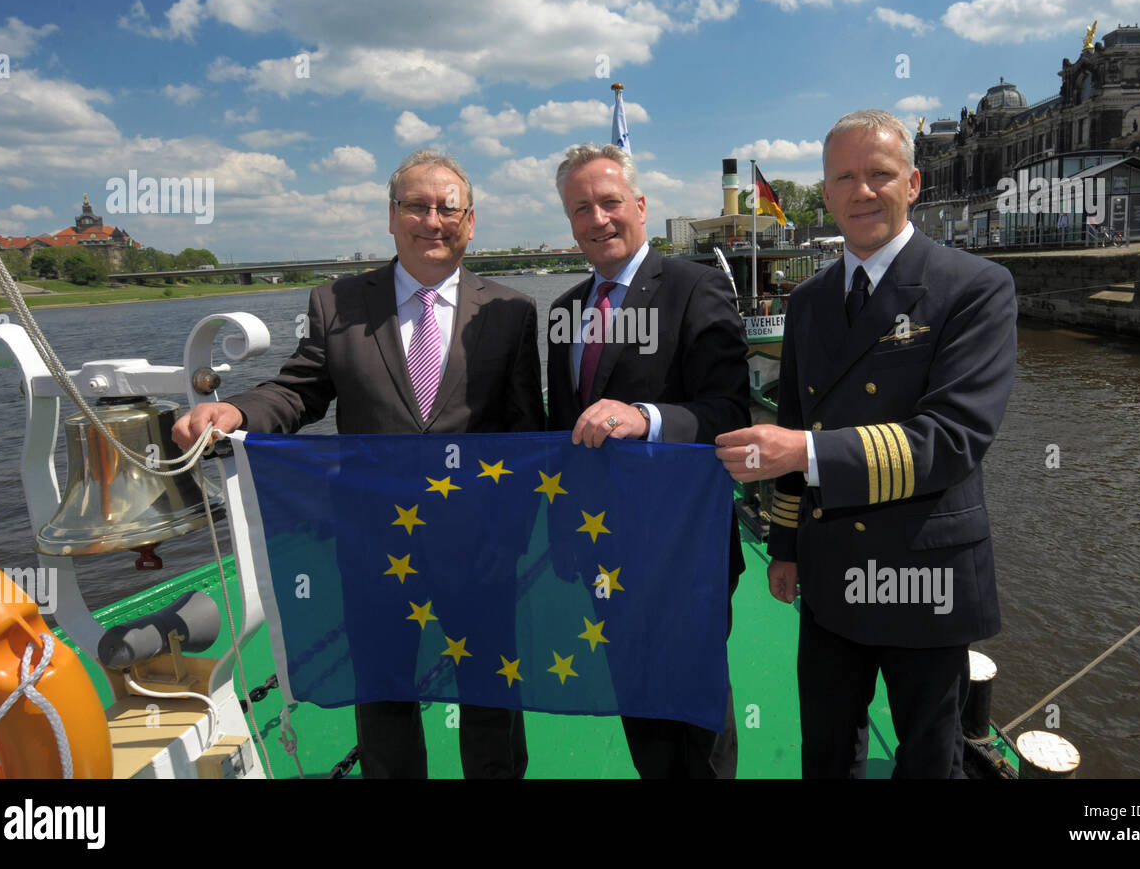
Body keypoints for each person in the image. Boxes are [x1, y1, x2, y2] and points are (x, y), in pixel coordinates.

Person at [172, 149, 544, 779]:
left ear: (471, 221)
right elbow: (297, 391)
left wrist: (513, 537)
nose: (434, 220)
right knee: (384, 698)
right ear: (391, 217)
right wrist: (236, 412)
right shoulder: (337, 303)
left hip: (478, 547)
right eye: (417, 206)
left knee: (490, 696)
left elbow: (525, 435)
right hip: (377, 545)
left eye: (448, 207)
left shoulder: (511, 311)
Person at [714, 110, 1017, 778]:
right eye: (845, 177)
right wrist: (786, 546)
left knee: (928, 759)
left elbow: (952, 437)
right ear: (825, 194)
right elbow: (797, 411)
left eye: (880, 174)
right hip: (829, 571)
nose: (863, 191)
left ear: (912, 182)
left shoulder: (973, 288)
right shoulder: (812, 301)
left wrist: (803, 452)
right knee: (825, 751)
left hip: (924, 572)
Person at [545, 143, 749, 778]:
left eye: (610, 203)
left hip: (683, 547)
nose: (599, 219)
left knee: (695, 707)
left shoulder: (697, 287)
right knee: (636, 695)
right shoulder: (563, 311)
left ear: (639, 205)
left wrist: (647, 418)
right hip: (601, 546)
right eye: (582, 209)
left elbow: (729, 413)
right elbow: (562, 433)